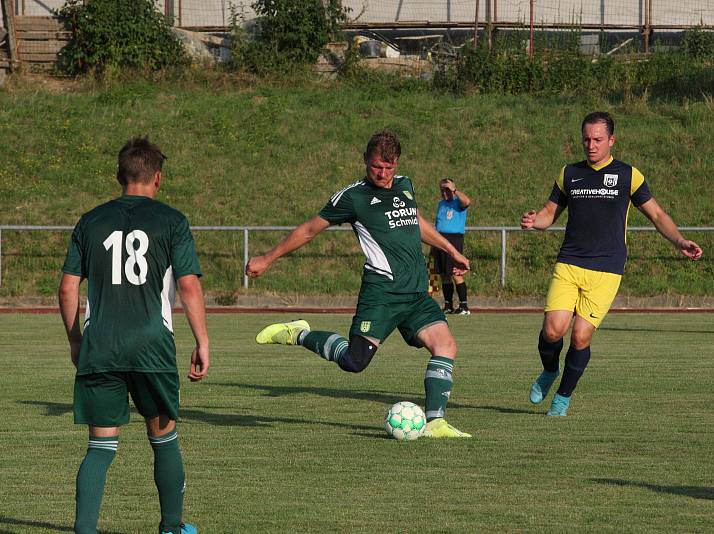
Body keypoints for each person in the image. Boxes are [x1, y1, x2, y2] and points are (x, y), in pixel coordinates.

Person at [246, 130, 471, 438]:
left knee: (445, 345)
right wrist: (267, 258)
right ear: (365, 160)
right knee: (354, 362)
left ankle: (435, 422)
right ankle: (299, 333)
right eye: (377, 166)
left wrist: (452, 250)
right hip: (381, 294)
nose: (383, 173)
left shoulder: (406, 186)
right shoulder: (353, 197)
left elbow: (416, 222)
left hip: (416, 294)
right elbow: (310, 229)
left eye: (389, 167)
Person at [58, 137, 210, 534]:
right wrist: (203, 341)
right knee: (163, 436)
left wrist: (76, 339)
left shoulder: (90, 221)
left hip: (101, 345)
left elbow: (67, 288)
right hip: (151, 346)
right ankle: (171, 527)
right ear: (157, 179)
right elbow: (189, 285)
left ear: (118, 177)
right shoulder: (172, 221)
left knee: (100, 447)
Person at [520, 111, 702, 417]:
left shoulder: (629, 175)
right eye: (586, 139)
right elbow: (549, 214)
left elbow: (657, 215)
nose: (590, 145)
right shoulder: (569, 173)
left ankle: (563, 396)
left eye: (598, 140)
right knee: (553, 331)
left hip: (607, 268)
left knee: (580, 336)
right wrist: (533, 221)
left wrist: (680, 241)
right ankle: (549, 371)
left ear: (611, 141)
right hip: (570, 262)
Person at [430, 178, 472, 315]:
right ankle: (448, 305)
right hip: (439, 240)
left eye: (446, 189)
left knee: (455, 273)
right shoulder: (441, 204)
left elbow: (467, 202)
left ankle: (464, 306)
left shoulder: (458, 202)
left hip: (454, 240)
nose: (444, 192)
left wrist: (454, 190)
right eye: (442, 190)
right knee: (442, 274)